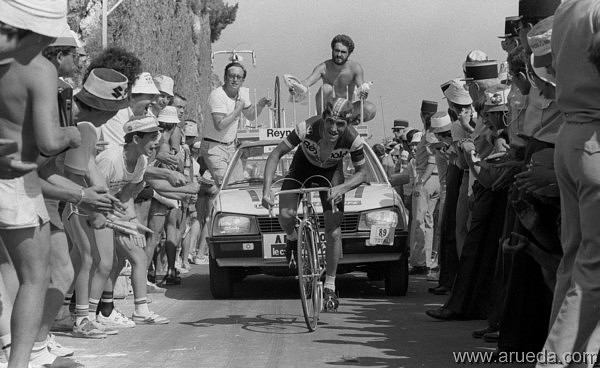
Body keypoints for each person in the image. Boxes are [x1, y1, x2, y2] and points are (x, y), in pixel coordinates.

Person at [0, 1, 83, 366]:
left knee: (5, 270)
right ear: (46, 30)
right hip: (16, 181)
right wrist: (72, 134)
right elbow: (49, 142)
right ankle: (18, 363)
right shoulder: (39, 69)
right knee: (35, 277)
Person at [535, 1, 600, 365]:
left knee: (574, 263)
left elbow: (551, 65)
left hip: (572, 135)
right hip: (594, 139)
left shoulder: (566, 9)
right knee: (594, 273)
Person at [261, 98, 367, 311]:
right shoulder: (306, 128)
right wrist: (266, 190)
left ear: (347, 125)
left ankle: (330, 283)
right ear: (323, 118)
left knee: (334, 231)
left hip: (331, 174)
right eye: (330, 122)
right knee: (285, 214)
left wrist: (343, 188)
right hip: (302, 168)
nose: (333, 128)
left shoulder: (353, 139)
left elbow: (363, 172)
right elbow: (275, 154)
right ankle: (292, 237)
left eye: (340, 124)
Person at [201, 62, 271, 185]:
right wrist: (237, 110)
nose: (235, 79)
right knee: (225, 185)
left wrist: (260, 104)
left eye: (238, 77)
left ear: (243, 80)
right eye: (231, 76)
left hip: (231, 147)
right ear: (225, 77)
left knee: (238, 184)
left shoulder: (242, 94)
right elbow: (220, 125)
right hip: (214, 147)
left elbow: (250, 114)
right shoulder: (217, 96)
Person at [292, 34, 375, 124]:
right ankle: (323, 120)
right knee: (326, 88)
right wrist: (295, 86)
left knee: (370, 108)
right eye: (336, 51)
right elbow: (308, 81)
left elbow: (361, 89)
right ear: (332, 50)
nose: (339, 55)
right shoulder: (323, 67)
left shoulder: (355, 68)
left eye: (343, 52)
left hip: (346, 108)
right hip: (328, 109)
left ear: (349, 53)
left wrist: (363, 94)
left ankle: (349, 122)